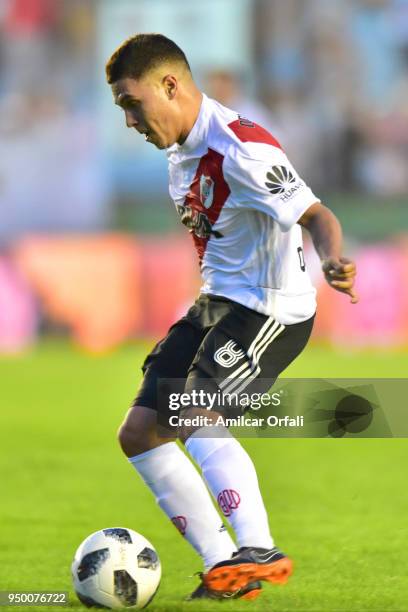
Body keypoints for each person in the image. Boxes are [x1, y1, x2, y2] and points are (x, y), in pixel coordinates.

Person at [105, 33, 358, 602]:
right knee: (140, 432)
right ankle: (226, 567)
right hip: (218, 302)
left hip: (272, 309)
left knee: (195, 405)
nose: (128, 120)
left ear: (169, 85)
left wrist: (334, 259)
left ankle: (259, 547)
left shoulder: (243, 149)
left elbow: (316, 214)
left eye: (130, 103)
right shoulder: (179, 151)